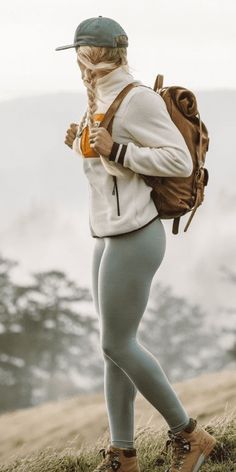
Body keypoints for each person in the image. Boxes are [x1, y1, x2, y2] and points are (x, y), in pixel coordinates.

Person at [55, 16, 217, 472]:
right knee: (114, 348)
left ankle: (190, 435)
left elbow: (177, 159)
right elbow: (110, 173)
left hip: (135, 237)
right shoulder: (99, 97)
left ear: (89, 55)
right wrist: (81, 146)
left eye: (78, 57)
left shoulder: (137, 98)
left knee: (118, 343)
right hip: (107, 236)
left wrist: (114, 150)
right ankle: (123, 454)